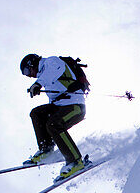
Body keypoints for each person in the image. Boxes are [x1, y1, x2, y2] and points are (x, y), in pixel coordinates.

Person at [19, 53, 88, 181]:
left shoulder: (51, 62)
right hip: (60, 106)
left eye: (27, 71)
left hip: (75, 106)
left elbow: (52, 72)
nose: (29, 75)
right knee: (37, 113)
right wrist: (39, 84)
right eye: (26, 74)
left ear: (32, 63)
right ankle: (46, 149)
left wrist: (38, 84)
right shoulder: (44, 76)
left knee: (54, 124)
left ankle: (76, 162)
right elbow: (48, 78)